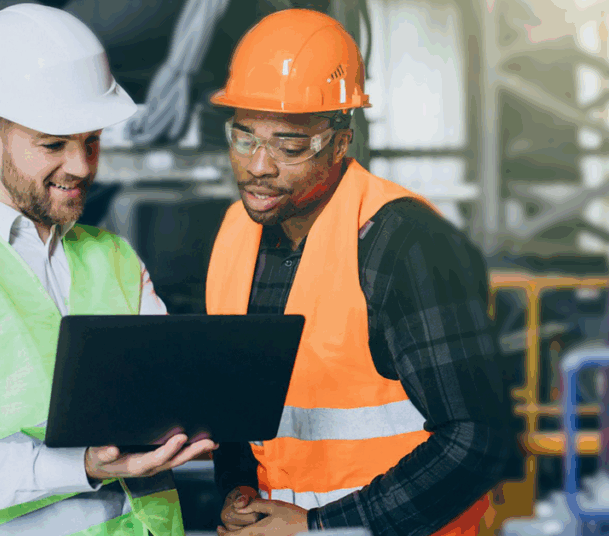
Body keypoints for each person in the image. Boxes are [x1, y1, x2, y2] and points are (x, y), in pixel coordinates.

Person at [0, 5, 216, 535]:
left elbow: (170, 404)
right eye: (53, 144)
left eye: (92, 140)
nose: (82, 165)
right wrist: (83, 465)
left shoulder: (116, 258)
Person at [205, 8, 513, 536]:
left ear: (341, 142)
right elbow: (241, 409)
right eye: (244, 137)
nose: (259, 164)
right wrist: (238, 490)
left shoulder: (405, 244)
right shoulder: (235, 233)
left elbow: (478, 438)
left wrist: (323, 527)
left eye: (289, 145)